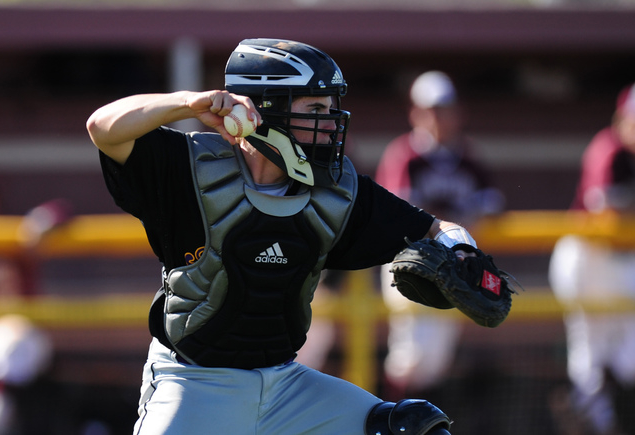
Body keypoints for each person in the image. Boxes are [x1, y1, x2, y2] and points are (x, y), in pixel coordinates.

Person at [85, 38, 486, 435]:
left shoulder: (338, 191)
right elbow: (103, 127)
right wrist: (188, 102)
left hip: (287, 387)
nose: (330, 122)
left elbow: (435, 228)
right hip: (194, 383)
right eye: (314, 108)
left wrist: (463, 252)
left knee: (414, 427)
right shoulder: (190, 167)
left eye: (331, 108)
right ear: (264, 109)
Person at [375, 71, 504, 400]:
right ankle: (391, 417)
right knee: (410, 356)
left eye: (444, 109)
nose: (437, 118)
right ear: (415, 113)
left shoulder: (468, 156)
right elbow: (400, 209)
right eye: (430, 109)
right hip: (409, 264)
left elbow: (493, 204)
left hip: (453, 267)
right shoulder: (404, 155)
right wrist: (457, 217)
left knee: (437, 360)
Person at [549, 83, 635, 435]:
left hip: (618, 263)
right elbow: (609, 208)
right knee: (591, 349)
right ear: (621, 119)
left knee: (626, 358)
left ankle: (592, 415)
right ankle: (588, 419)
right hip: (586, 257)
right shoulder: (609, 148)